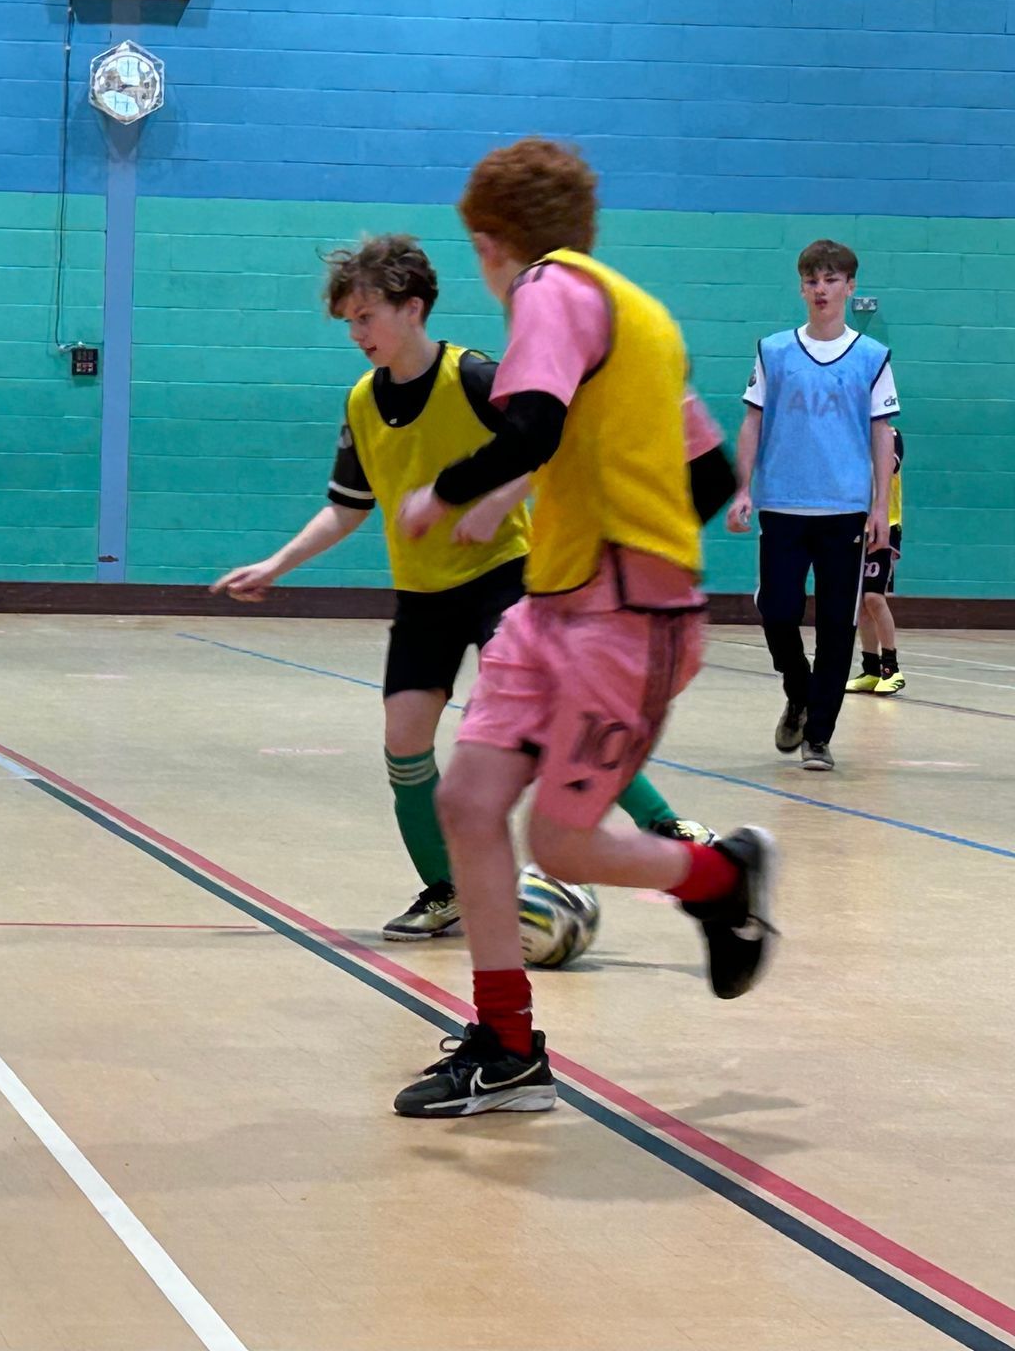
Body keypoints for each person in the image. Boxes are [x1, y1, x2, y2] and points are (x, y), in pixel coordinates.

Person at [386, 140, 776, 1118]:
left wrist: (447, 489)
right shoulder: (636, 323)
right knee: (471, 805)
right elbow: (710, 480)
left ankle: (719, 876)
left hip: (623, 620)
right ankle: (508, 1049)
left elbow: (531, 430)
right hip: (552, 605)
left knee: (558, 844)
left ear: (488, 244)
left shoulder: (549, 293)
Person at [214, 235, 716, 944]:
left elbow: (551, 443)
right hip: (422, 597)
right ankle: (444, 889)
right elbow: (347, 505)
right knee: (404, 743)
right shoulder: (363, 402)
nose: (356, 335)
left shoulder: (477, 377)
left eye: (366, 317)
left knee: (540, 725)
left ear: (412, 308)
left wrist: (484, 500)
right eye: (349, 323)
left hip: (502, 579)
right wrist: (276, 564)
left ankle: (669, 826)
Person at [726, 240, 899, 770]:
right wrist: (743, 488)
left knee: (836, 627)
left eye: (831, 280)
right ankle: (797, 691)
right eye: (812, 280)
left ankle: (818, 735)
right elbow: (753, 421)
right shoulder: (774, 351)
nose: (821, 289)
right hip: (782, 503)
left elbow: (881, 433)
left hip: (844, 509)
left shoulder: (871, 359)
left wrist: (879, 507)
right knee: (776, 609)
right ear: (801, 288)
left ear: (850, 287)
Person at [847, 425, 906, 696]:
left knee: (873, 597)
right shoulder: (851, 434)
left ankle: (891, 668)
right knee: (859, 602)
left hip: (885, 526)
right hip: (856, 527)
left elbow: (885, 468)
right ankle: (870, 669)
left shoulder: (889, 434)